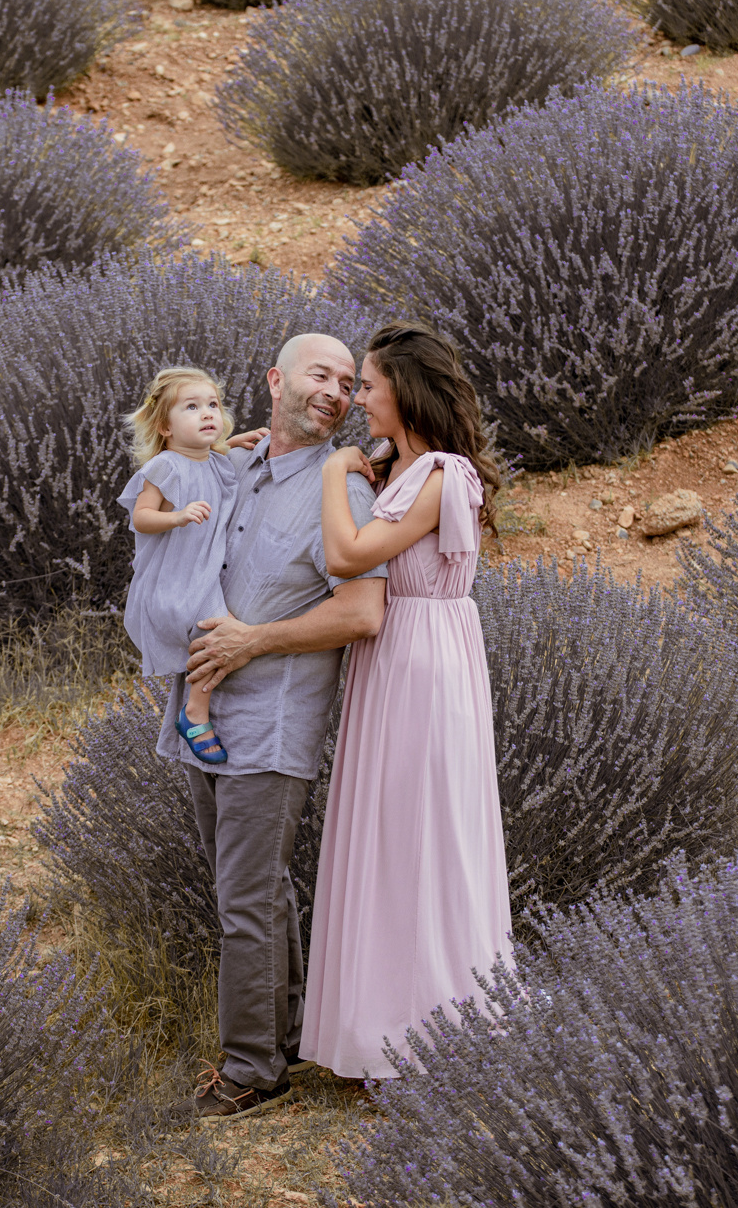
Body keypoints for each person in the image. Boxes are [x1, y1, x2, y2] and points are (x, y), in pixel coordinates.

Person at [167, 333, 387, 1122]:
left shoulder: (344, 490)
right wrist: (226, 446)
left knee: (247, 898)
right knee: (257, 890)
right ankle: (285, 1037)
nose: (334, 389)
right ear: (274, 380)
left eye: (347, 381)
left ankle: (249, 1070)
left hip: (271, 722)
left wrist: (254, 640)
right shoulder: (232, 467)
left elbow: (362, 609)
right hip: (198, 712)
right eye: (319, 373)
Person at [301, 322, 511, 1080]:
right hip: (393, 663)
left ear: (405, 391)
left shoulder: (444, 474)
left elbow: (347, 554)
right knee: (390, 839)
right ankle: (382, 1031)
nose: (358, 398)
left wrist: (332, 474)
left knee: (424, 837)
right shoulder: (401, 468)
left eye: (367, 385)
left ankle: (431, 1039)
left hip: (424, 666)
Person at [117, 367, 240, 764]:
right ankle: (194, 713)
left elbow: (210, 460)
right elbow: (142, 517)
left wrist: (239, 442)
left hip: (202, 577)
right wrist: (178, 516)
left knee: (216, 637)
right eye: (191, 407)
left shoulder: (216, 462)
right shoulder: (165, 466)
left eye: (213, 405)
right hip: (174, 579)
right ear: (165, 427)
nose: (207, 414)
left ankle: (194, 711)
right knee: (215, 636)